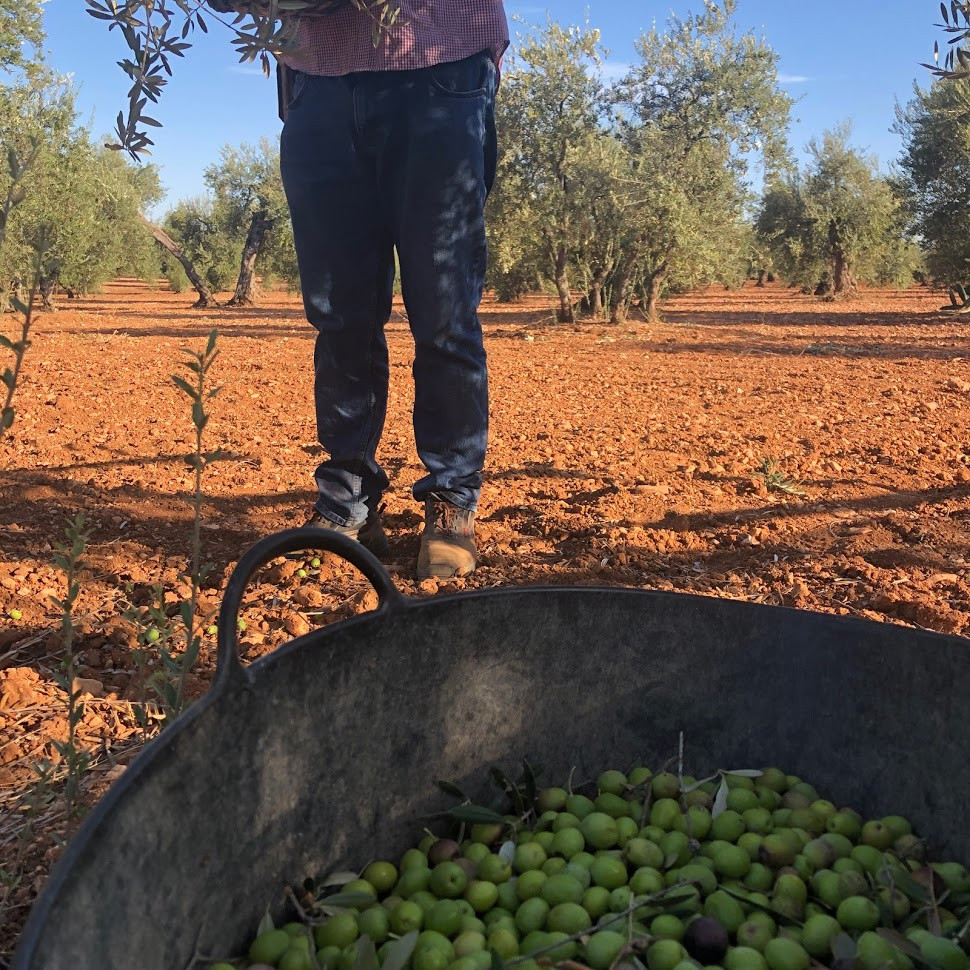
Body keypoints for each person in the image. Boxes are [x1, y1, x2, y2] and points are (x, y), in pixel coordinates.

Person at [275, 0, 510, 579]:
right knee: (338, 315)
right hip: (320, 77)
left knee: (445, 311)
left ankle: (452, 501)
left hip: (442, 63)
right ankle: (346, 503)